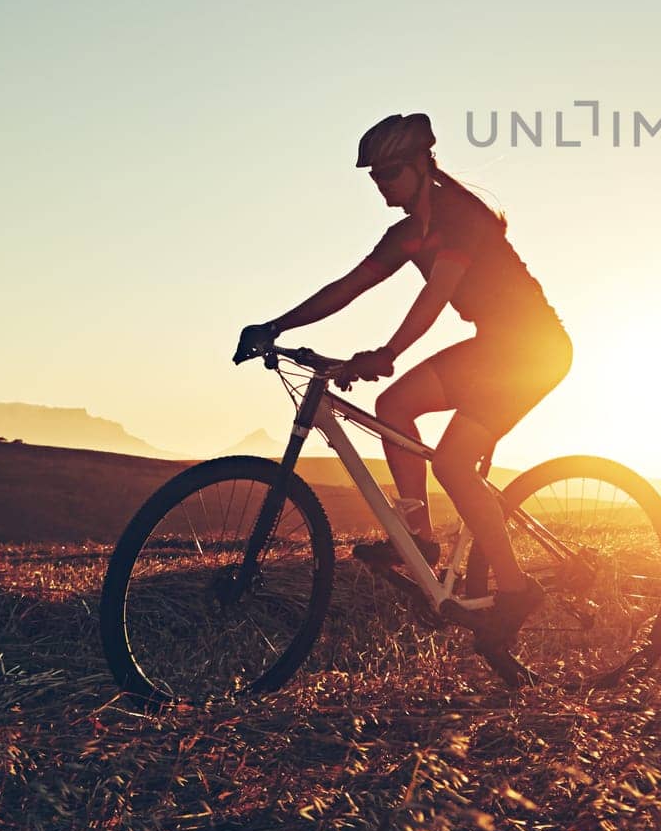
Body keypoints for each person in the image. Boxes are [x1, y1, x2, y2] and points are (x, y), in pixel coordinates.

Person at [235, 112, 571, 645]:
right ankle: (419, 539)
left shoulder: (459, 216)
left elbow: (437, 292)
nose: (380, 184)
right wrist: (273, 325)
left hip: (534, 349)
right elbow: (347, 287)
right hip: (493, 346)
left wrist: (388, 351)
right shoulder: (407, 234)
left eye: (389, 173)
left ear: (420, 166)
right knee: (394, 407)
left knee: (454, 464)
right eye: (374, 176)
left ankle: (515, 589)